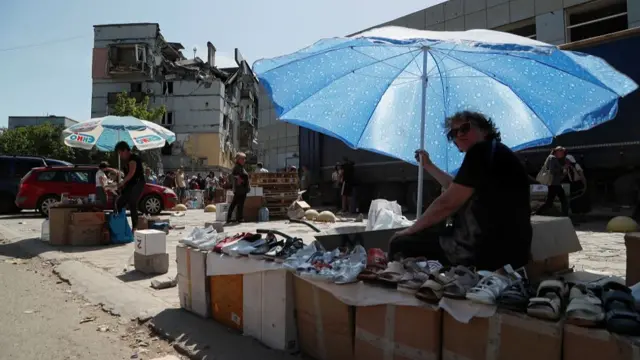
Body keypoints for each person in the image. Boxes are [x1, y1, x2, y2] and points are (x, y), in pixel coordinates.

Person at [388, 111, 532, 271]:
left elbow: (448, 203)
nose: (458, 135)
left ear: (484, 130)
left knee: (399, 243)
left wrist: (410, 229)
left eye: (464, 128)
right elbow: (455, 187)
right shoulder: (496, 153)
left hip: (481, 252)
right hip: (514, 253)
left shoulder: (480, 152)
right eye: (453, 133)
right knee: (429, 232)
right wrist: (428, 165)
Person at [114, 141, 146, 230]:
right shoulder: (126, 161)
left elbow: (131, 173)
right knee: (120, 202)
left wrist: (122, 182)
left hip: (138, 183)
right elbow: (127, 175)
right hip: (130, 184)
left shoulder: (133, 158)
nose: (120, 155)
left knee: (132, 203)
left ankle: (134, 228)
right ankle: (121, 224)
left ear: (125, 150)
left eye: (120, 153)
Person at [535, 146, 569, 216]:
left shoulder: (553, 158)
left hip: (554, 184)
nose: (563, 154)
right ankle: (565, 215)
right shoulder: (552, 158)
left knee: (550, 202)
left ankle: (538, 212)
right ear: (557, 152)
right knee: (563, 200)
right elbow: (552, 170)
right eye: (562, 152)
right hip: (554, 184)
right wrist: (562, 169)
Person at [227, 153, 249, 224]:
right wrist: (239, 179)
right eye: (243, 159)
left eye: (244, 159)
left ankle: (235, 218)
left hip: (241, 189)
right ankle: (238, 218)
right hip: (240, 189)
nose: (244, 160)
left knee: (237, 204)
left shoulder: (240, 167)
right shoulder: (237, 167)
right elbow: (232, 176)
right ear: (238, 159)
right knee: (238, 204)